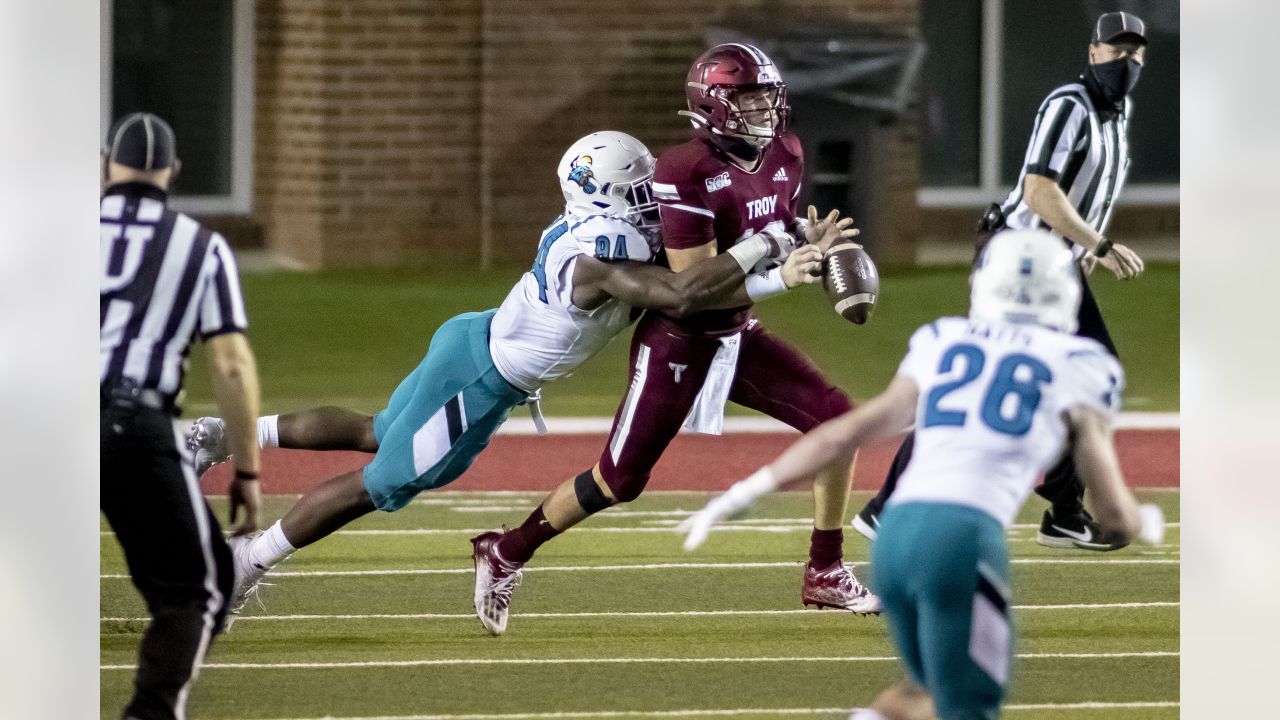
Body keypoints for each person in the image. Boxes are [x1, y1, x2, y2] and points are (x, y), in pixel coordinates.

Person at [188, 130, 831, 617]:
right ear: (606, 194)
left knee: (379, 431)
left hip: (473, 339)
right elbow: (682, 296)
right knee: (383, 481)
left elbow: (696, 278)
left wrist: (779, 270)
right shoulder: (600, 252)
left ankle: (222, 436)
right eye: (640, 189)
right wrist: (767, 246)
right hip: (482, 380)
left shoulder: (607, 228)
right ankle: (249, 557)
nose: (653, 197)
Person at [471, 43, 875, 637]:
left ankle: (825, 569)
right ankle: (505, 549)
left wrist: (805, 237)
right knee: (618, 480)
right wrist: (780, 269)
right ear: (714, 104)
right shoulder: (685, 170)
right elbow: (693, 287)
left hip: (737, 334)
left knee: (839, 421)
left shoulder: (785, 151)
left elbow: (774, 224)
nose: (765, 106)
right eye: (749, 97)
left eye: (768, 94)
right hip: (680, 339)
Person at [681, 229, 1165, 720]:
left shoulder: (944, 340)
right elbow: (1111, 516)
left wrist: (748, 489)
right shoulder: (1082, 364)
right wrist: (1143, 520)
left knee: (918, 696)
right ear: (1065, 290)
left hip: (895, 538)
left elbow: (843, 434)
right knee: (969, 706)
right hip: (962, 537)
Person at [855, 11, 1151, 551]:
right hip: (1018, 257)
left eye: (1135, 52)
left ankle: (1063, 511)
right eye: (1115, 50)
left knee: (1077, 377)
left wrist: (1079, 253)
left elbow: (1088, 190)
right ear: (1093, 53)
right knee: (1024, 372)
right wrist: (1099, 247)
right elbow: (1040, 190)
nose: (1125, 61)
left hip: (1051, 263)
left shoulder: (1117, 110)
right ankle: (891, 504)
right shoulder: (1071, 104)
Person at [100, 112, 264, 720]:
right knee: (199, 589)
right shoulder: (199, 245)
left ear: (106, 164)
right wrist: (246, 472)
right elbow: (231, 366)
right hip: (133, 428)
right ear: (171, 173)